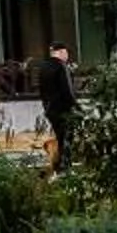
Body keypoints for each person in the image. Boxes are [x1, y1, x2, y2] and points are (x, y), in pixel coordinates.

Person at [33, 42, 78, 172]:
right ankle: (65, 167)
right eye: (67, 54)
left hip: (50, 108)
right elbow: (67, 90)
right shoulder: (61, 66)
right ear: (63, 52)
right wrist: (75, 106)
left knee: (59, 137)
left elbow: (41, 90)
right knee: (66, 138)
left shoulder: (43, 67)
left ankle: (58, 166)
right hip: (63, 109)